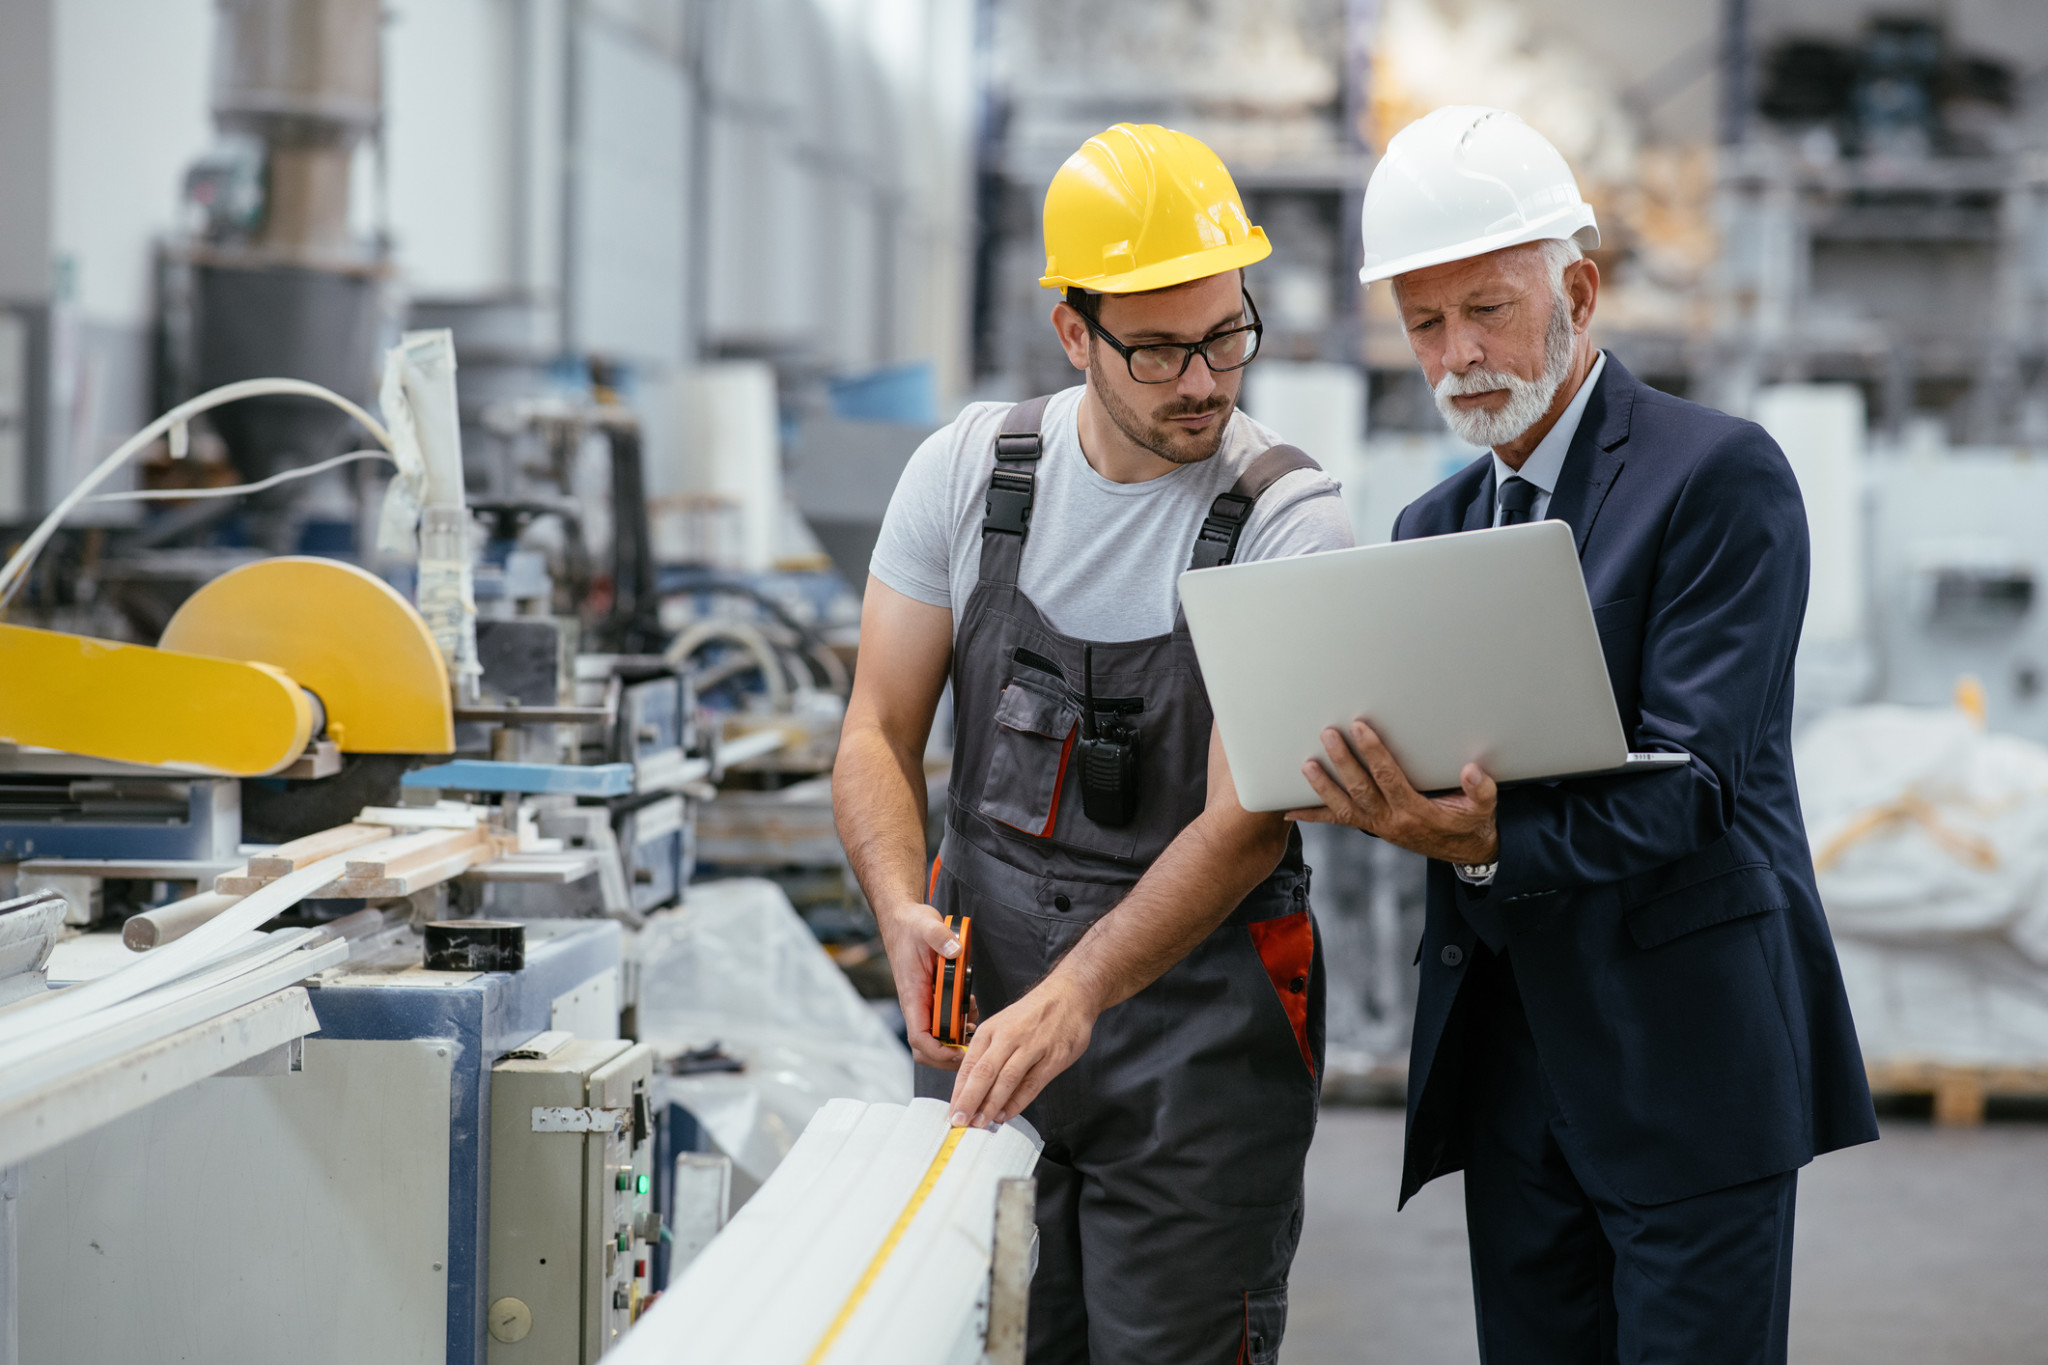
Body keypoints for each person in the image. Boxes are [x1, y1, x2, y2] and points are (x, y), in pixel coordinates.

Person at [1290, 105, 1879, 1364]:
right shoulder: (1429, 527)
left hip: (1684, 1066)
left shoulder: (1713, 477)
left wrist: (1487, 838)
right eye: (1423, 323)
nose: (1455, 355)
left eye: (1485, 309)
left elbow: (1695, 783)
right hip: (1510, 1077)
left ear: (1579, 288)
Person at [832, 123, 1354, 1363]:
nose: (1204, 380)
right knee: (981, 1339)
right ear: (1075, 334)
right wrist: (899, 908)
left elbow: (1243, 819)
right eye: (1162, 348)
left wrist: (1076, 993)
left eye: (1227, 334)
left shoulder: (1288, 519)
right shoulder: (966, 473)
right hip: (987, 1022)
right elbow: (874, 730)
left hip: (1197, 1050)